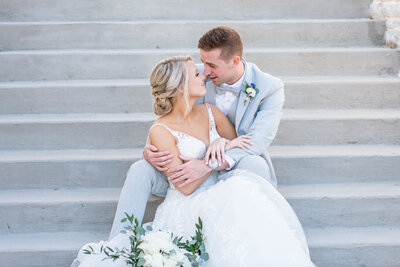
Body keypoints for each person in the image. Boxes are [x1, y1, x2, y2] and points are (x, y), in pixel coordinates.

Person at [73, 56, 315, 267]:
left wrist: (222, 144)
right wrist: (209, 157)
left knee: (241, 190)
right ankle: (120, 246)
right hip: (190, 198)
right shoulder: (161, 130)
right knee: (233, 197)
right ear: (180, 87)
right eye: (197, 74)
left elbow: (238, 145)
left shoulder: (211, 111)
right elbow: (185, 186)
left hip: (221, 181)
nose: (204, 76)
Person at [109, 26, 285, 239]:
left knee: (256, 163)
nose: (204, 73)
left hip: (229, 164)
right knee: (139, 169)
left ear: (235, 62)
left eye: (211, 65)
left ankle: (260, 234)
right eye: (202, 64)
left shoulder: (269, 88)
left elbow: (253, 142)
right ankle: (119, 242)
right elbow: (170, 123)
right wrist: (150, 151)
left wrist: (216, 153)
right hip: (185, 174)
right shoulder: (194, 75)